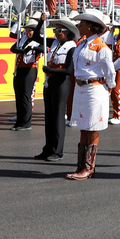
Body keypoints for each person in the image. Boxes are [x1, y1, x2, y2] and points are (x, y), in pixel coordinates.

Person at [66, 10, 115, 180]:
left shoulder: (102, 48)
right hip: (81, 88)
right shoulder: (82, 43)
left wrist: (108, 88)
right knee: (83, 126)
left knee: (92, 127)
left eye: (82, 24)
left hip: (94, 88)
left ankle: (88, 168)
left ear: (90, 26)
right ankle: (81, 166)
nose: (79, 26)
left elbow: (110, 72)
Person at [35, 18, 78, 161]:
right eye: (55, 30)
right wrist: (41, 22)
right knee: (49, 117)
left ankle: (58, 151)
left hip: (61, 83)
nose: (56, 33)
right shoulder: (54, 43)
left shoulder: (72, 47)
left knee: (58, 117)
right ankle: (48, 148)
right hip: (50, 82)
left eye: (59, 31)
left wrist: (50, 69)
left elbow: (69, 70)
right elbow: (36, 36)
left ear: (67, 32)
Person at [9, 16, 44, 131]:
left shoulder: (38, 41)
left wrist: (35, 49)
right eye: (27, 30)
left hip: (30, 69)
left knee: (25, 96)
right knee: (18, 95)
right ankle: (19, 121)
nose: (27, 32)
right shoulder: (23, 39)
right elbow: (13, 48)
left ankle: (26, 123)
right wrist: (23, 51)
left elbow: (44, 49)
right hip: (19, 69)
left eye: (30, 30)